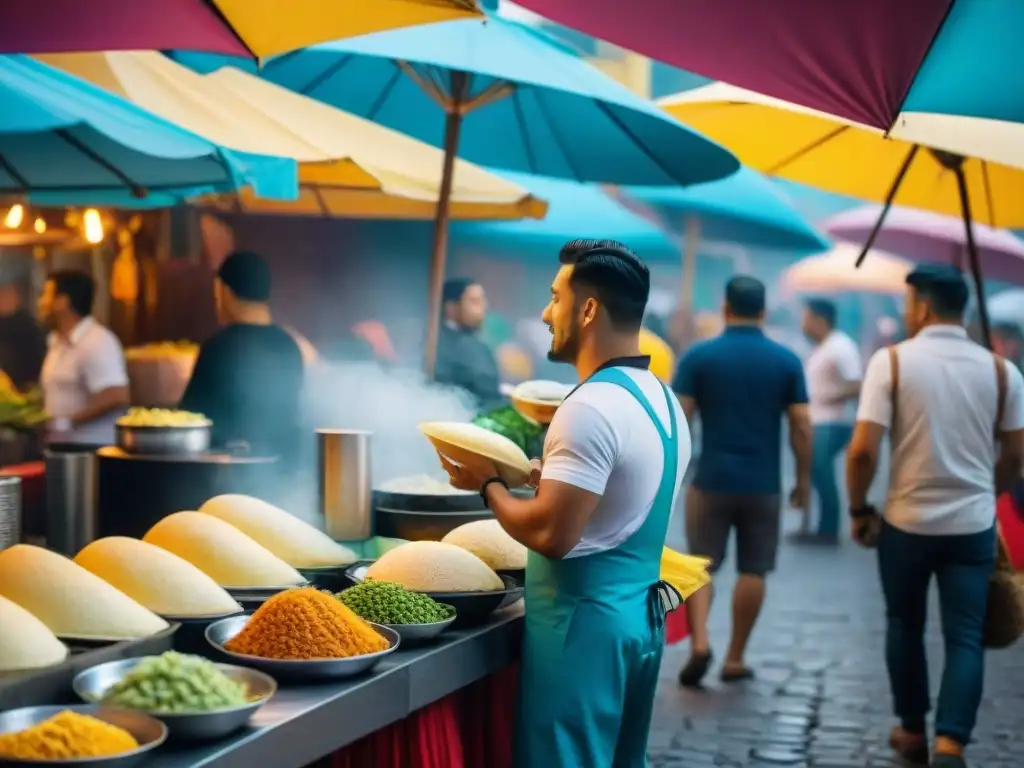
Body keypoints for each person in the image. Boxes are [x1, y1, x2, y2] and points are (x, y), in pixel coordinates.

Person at [439, 240, 690, 767]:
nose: (546, 312)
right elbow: (619, 502)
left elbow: (553, 534)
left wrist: (489, 485)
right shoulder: (662, 398)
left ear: (589, 308)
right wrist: (540, 476)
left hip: (583, 630)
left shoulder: (590, 406)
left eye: (556, 297)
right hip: (639, 624)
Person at [846, 265, 1024, 768]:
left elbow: (862, 451)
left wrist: (859, 508)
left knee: (905, 624)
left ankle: (910, 730)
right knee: (965, 634)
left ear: (922, 306)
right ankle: (951, 741)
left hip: (906, 523)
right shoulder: (1001, 371)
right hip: (971, 526)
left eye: (908, 303)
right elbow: (1015, 455)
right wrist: (986, 492)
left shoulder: (892, 363)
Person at [673, 275, 811, 687]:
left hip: (710, 478)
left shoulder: (700, 357)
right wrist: (803, 479)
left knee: (701, 567)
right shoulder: (786, 360)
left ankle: (699, 643)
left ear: (725, 308)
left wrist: (673, 474)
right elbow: (802, 425)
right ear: (764, 311)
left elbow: (681, 417)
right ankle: (735, 657)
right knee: (754, 570)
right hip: (763, 484)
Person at [179, 251, 304, 461]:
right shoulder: (289, 346)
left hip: (231, 470)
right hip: (283, 468)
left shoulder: (219, 348)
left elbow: (190, 418)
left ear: (225, 292)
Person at [796, 298, 861, 545]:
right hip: (819, 421)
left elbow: (856, 385)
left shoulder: (840, 346)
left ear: (820, 320)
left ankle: (828, 530)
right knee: (814, 472)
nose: (803, 325)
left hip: (834, 421)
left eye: (806, 319)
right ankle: (816, 527)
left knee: (821, 473)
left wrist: (825, 397)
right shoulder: (822, 347)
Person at [38, 270, 129, 437]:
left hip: (89, 449)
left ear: (62, 302)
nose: (41, 302)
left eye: (46, 295)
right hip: (61, 446)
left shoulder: (97, 341)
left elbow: (116, 394)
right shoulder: (56, 342)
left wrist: (68, 422)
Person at [434, 278, 503, 413]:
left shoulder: (480, 344)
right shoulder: (436, 342)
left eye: (483, 300)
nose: (484, 306)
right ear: (451, 307)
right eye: (475, 301)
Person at [0, 278, 46, 391]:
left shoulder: (29, 325)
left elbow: (38, 356)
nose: (3, 299)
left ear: (17, 297)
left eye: (6, 294)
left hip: (24, 387)